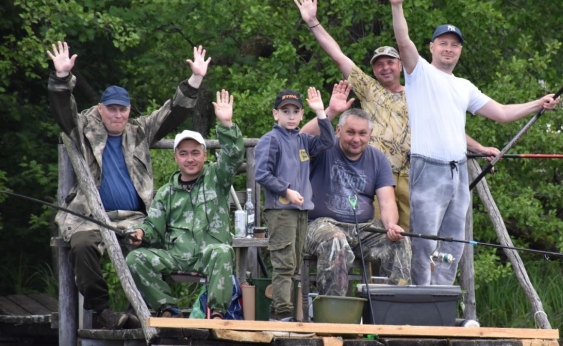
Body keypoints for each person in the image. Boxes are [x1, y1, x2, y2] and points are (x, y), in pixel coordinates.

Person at [383, 0, 560, 285]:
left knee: (453, 245)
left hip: (457, 173)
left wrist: (538, 103)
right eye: (443, 44)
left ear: (460, 51)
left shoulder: (464, 87)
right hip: (428, 170)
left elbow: (503, 113)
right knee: (426, 242)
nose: (449, 49)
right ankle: (423, 301)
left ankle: (442, 299)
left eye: (455, 45)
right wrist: (397, 6)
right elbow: (403, 41)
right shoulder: (419, 72)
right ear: (432, 47)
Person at [295, 0, 499, 232]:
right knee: (378, 234)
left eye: (390, 62)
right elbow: (338, 55)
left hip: (416, 177)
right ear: (372, 70)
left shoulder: (419, 89)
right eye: (378, 64)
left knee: (416, 240)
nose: (385, 68)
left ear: (401, 65)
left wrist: (479, 148)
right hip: (378, 176)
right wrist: (313, 22)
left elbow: (448, 129)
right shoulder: (369, 89)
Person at [47, 41, 210, 329]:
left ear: (129, 110)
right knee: (82, 246)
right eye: (111, 109)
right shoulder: (83, 127)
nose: (117, 115)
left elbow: (173, 112)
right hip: (89, 218)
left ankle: (139, 311)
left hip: (134, 219)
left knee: (145, 250)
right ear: (101, 108)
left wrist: (195, 79)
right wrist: (61, 78)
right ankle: (102, 312)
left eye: (122, 110)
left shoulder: (139, 130)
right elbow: (62, 110)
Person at [126, 89, 244, 319]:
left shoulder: (217, 178)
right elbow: (153, 226)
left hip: (208, 253)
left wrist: (227, 124)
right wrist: (140, 232)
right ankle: (168, 310)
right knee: (135, 258)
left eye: (195, 153)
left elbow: (233, 156)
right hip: (177, 255)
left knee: (223, 251)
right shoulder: (167, 191)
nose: (190, 158)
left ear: (204, 155)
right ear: (176, 158)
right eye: (184, 153)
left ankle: (217, 314)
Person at [305, 108, 411, 296]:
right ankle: (333, 315)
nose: (356, 139)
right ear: (338, 131)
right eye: (350, 132)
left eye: (362, 133)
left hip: (362, 229)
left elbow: (387, 203)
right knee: (335, 240)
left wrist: (392, 226)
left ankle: (391, 310)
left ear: (370, 134)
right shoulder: (323, 148)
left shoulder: (378, 160)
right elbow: (300, 137)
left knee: (400, 242)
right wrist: (330, 111)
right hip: (319, 225)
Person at [254, 85, 335, 321]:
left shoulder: (304, 140)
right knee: (283, 263)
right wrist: (286, 191)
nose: (290, 116)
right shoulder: (270, 140)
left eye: (295, 111)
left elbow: (328, 141)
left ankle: (284, 315)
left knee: (295, 264)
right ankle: (281, 315)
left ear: (301, 115)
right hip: (280, 211)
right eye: (285, 110)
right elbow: (261, 173)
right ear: (275, 114)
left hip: (301, 211)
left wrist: (321, 112)